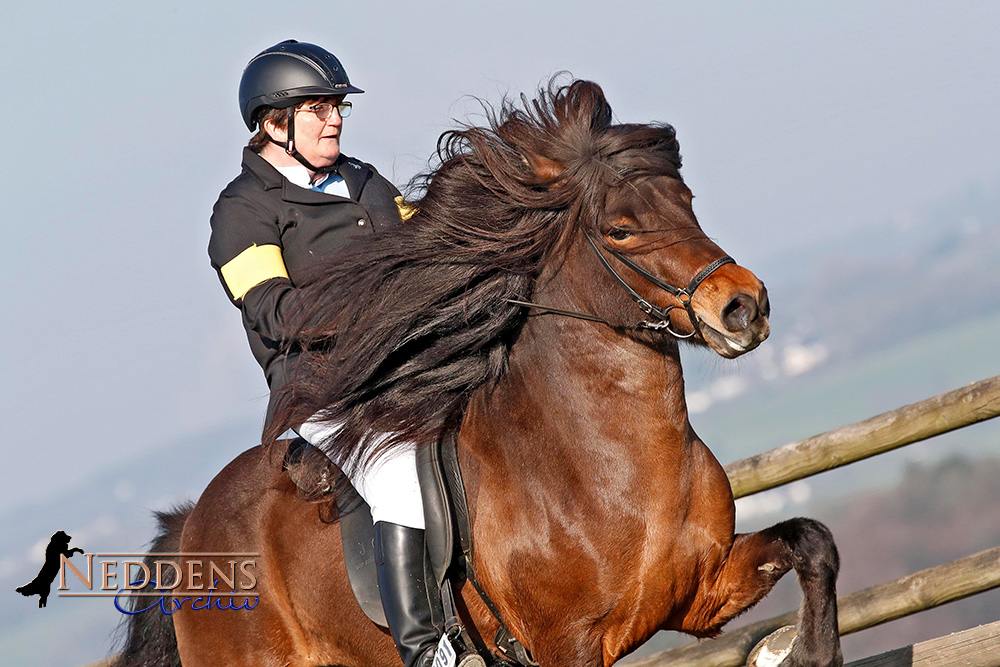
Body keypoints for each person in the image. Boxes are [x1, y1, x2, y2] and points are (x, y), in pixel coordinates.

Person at [208, 40, 446, 667]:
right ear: (273, 124)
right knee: (397, 473)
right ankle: (425, 651)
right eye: (317, 109)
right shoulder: (242, 211)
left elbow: (427, 248)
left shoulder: (365, 180)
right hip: (321, 391)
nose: (335, 119)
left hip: (408, 367)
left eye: (337, 106)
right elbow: (272, 310)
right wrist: (370, 309)